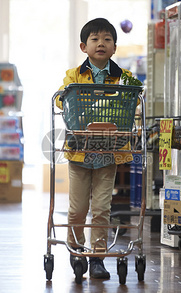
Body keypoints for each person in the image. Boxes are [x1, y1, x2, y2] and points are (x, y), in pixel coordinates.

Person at [54, 18, 136, 280]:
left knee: (101, 207)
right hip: (80, 149)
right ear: (83, 46)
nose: (101, 43)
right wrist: (64, 96)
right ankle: (77, 250)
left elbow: (134, 99)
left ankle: (97, 257)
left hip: (108, 150)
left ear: (114, 47)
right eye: (95, 39)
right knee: (78, 207)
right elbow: (59, 98)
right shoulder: (73, 76)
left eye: (107, 39)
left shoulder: (123, 78)